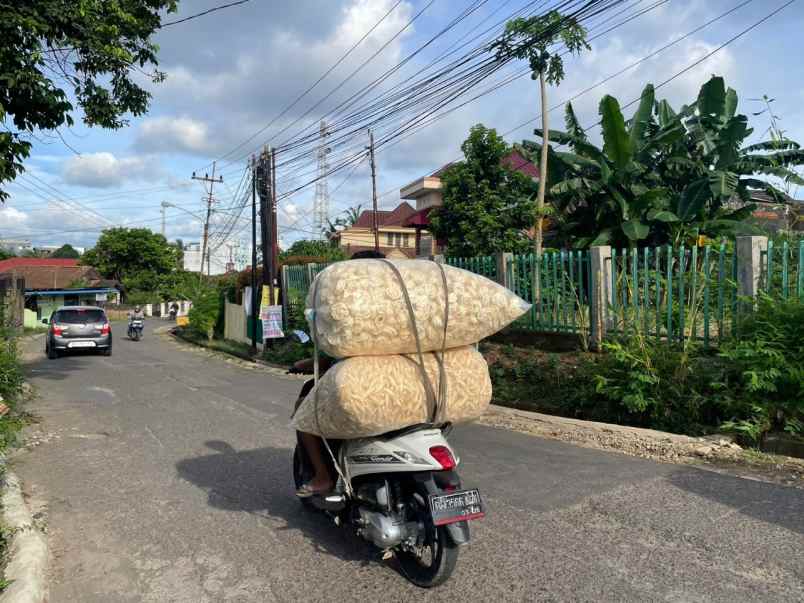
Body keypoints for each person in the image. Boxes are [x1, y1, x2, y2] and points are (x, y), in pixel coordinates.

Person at [295, 249, 386, 498]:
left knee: (305, 414)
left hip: (358, 382)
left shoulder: (350, 306)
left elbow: (343, 349)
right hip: (407, 383)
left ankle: (324, 476)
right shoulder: (401, 305)